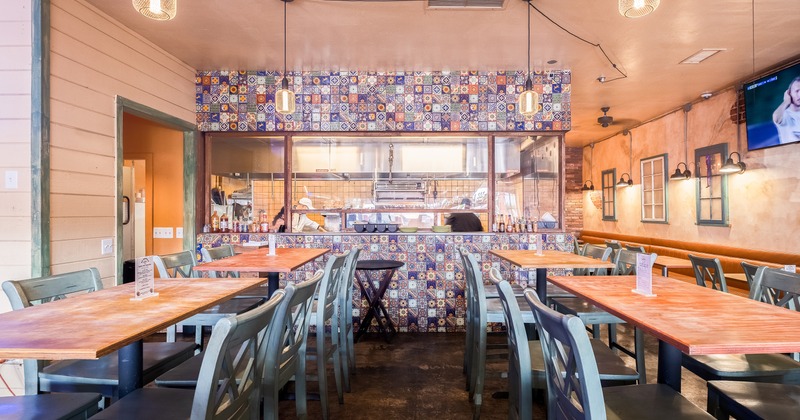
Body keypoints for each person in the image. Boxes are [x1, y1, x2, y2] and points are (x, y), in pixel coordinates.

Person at [773, 76, 800, 144]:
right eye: (797, 91)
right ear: (789, 93)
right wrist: (786, 102)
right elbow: (776, 118)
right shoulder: (784, 114)